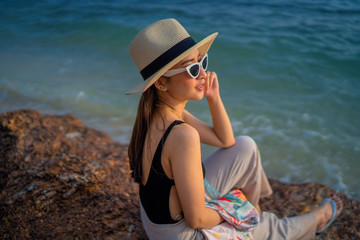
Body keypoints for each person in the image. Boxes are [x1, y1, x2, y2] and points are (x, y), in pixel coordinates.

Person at [126, 18, 343, 240]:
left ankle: (255, 210)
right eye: (191, 69)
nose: (202, 74)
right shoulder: (183, 135)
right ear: (161, 83)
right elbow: (196, 220)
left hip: (154, 218)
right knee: (258, 226)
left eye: (202, 62)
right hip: (178, 234)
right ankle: (313, 221)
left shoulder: (157, 112)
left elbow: (226, 141)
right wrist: (237, 211)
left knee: (245, 146)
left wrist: (214, 99)